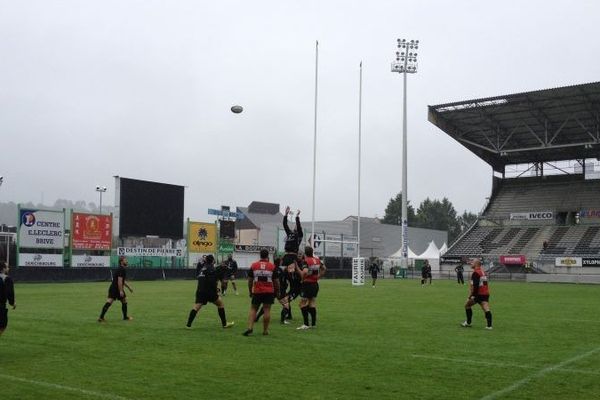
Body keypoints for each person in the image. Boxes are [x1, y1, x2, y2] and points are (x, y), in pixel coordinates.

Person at [186, 254, 234, 329]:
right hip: (208, 291)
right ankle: (224, 324)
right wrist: (216, 289)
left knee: (196, 307)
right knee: (220, 304)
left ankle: (188, 325)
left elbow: (200, 278)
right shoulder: (211, 268)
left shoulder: (203, 268)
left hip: (200, 290)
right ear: (212, 261)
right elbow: (211, 281)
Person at [243, 249, 280, 336]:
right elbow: (276, 281)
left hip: (257, 291)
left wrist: (250, 291)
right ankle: (265, 331)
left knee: (253, 309)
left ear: (260, 255)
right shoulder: (272, 266)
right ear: (268, 256)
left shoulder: (254, 265)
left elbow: (250, 280)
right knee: (267, 310)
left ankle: (250, 328)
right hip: (269, 291)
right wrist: (277, 291)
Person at [296, 246, 326, 330]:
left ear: (305, 253)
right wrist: (318, 276)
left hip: (307, 284)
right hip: (315, 284)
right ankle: (313, 324)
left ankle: (305, 324)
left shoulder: (306, 260)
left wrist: (301, 275)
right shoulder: (317, 260)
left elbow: (305, 272)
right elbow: (324, 268)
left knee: (302, 304)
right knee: (312, 302)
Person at [98, 256, 134, 322]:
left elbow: (122, 281)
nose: (127, 261)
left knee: (123, 301)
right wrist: (121, 290)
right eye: (125, 260)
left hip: (114, 288)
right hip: (116, 288)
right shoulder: (121, 269)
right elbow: (119, 281)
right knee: (111, 301)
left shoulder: (121, 269)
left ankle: (101, 317)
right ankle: (101, 317)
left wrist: (129, 287)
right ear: (121, 262)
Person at [461, 259, 493, 330]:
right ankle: (489, 326)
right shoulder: (482, 272)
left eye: (472, 262)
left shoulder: (476, 273)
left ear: (476, 264)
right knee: (486, 308)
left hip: (478, 294)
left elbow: (475, 286)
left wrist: (471, 296)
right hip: (485, 293)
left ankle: (468, 323)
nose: (470, 264)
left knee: (467, 305)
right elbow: (484, 283)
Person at [282, 206, 303, 271]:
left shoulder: (299, 235)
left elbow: (299, 226)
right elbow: (285, 225)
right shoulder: (290, 233)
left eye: (296, 225)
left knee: (291, 272)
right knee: (283, 273)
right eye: (295, 225)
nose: (295, 226)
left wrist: (297, 217)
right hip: (286, 256)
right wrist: (286, 214)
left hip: (292, 257)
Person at [0, 262, 16, 337]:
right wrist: (12, 303)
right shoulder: (7, 279)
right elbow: (10, 293)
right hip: (1, 307)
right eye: (7, 267)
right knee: (3, 326)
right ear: (3, 269)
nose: (8, 268)